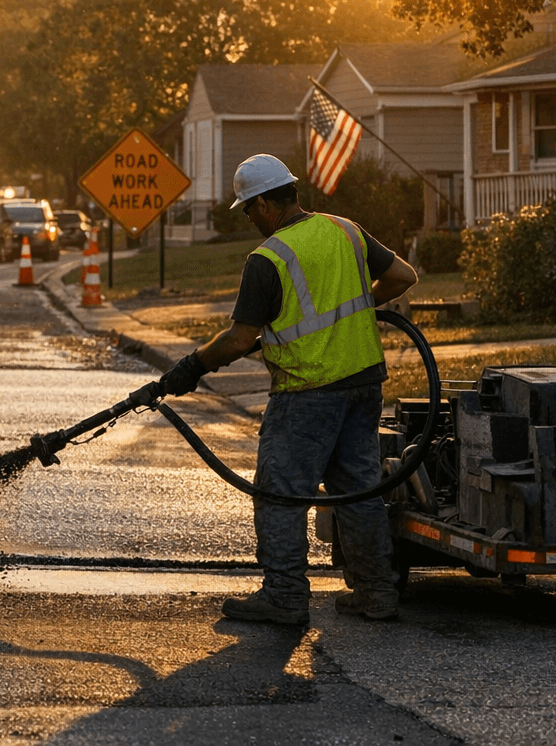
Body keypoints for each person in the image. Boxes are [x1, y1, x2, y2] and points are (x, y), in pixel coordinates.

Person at [155, 154, 418, 625]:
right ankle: (377, 592)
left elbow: (239, 338)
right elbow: (402, 277)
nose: (251, 218)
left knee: (281, 493)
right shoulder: (345, 230)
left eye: (249, 209)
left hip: (306, 391)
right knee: (358, 490)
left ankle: (284, 596)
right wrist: (360, 304)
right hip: (362, 385)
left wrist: (191, 367)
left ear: (262, 204)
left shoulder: (268, 258)